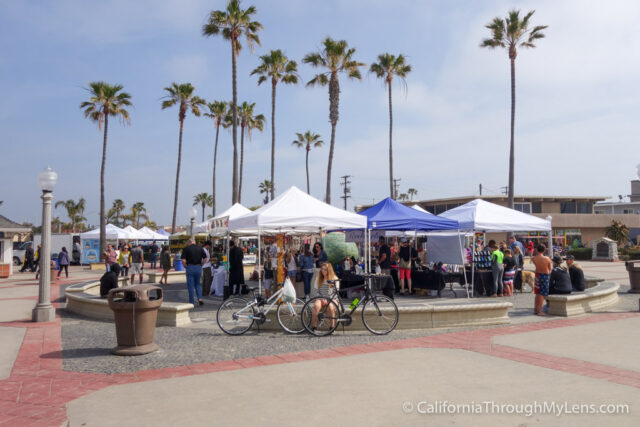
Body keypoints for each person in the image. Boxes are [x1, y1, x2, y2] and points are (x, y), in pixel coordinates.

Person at [310, 262, 339, 332]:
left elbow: (336, 292)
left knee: (331, 306)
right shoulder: (318, 278)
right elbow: (316, 291)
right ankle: (314, 327)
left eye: (325, 269)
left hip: (332, 298)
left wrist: (328, 300)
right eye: (322, 269)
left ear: (329, 270)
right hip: (320, 298)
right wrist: (321, 298)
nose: (323, 271)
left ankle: (332, 327)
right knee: (316, 306)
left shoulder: (334, 278)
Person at [181, 238, 206, 305]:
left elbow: (183, 260)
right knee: (197, 284)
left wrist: (185, 266)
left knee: (190, 286)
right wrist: (202, 264)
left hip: (190, 267)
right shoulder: (200, 248)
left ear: (189, 242)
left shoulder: (186, 249)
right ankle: (200, 298)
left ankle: (191, 301)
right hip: (198, 267)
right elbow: (205, 258)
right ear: (194, 242)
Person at [531, 244, 552, 315]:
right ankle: (540, 311)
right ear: (544, 250)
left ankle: (535, 309)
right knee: (542, 293)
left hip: (537, 274)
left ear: (537, 250)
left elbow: (535, 264)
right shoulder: (547, 259)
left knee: (537, 293)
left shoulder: (534, 258)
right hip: (544, 275)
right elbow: (549, 269)